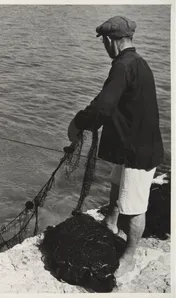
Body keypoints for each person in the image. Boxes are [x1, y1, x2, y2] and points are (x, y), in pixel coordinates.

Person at [67, 16, 164, 277]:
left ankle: (129, 257)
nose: (105, 48)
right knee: (115, 182)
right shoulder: (139, 62)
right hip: (131, 144)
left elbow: (102, 107)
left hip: (139, 152)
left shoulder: (122, 66)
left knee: (134, 207)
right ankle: (110, 222)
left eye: (104, 43)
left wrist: (78, 123)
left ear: (111, 41)